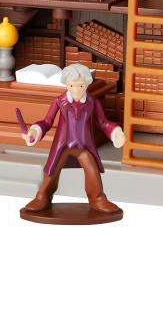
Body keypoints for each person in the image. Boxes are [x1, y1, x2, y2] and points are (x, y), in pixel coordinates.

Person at [21, 63, 126, 213]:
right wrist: (34, 132)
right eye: (72, 85)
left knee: (92, 171)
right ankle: (42, 197)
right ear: (66, 84)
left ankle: (97, 198)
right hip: (62, 146)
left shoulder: (92, 102)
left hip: (83, 146)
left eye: (81, 85)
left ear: (87, 84)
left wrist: (116, 133)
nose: (76, 89)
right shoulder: (59, 101)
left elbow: (103, 123)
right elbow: (47, 122)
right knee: (51, 172)